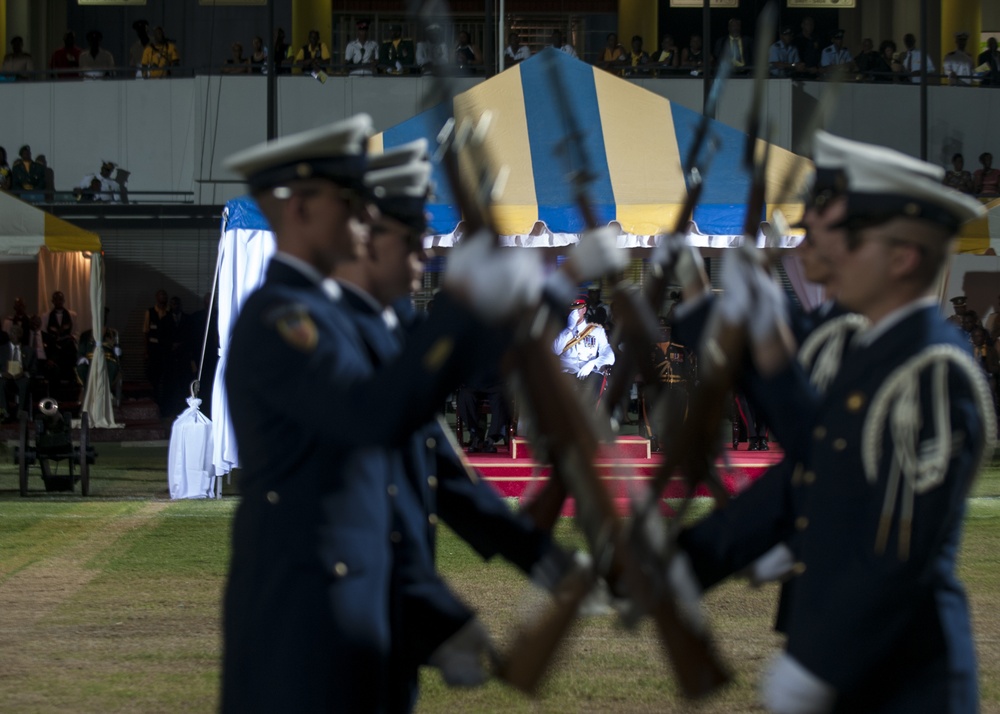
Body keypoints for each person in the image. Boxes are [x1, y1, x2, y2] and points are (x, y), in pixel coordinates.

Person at [219, 114, 546, 713]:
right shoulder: (283, 324)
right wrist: (463, 300)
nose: (364, 219)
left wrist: (435, 611)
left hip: (362, 621)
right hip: (302, 639)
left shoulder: (337, 320)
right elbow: (373, 420)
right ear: (298, 209)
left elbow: (407, 481)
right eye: (351, 202)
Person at [676, 130, 990, 713]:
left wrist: (819, 664)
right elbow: (814, 472)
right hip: (845, 653)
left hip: (904, 677)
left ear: (902, 258)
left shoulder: (933, 372)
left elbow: (899, 550)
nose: (830, 249)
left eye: (849, 237)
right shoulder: (866, 347)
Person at [554, 298, 615, 404]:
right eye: (571, 310)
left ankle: (592, 417)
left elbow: (610, 356)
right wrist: (569, 328)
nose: (574, 314)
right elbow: (554, 350)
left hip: (589, 373)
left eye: (577, 310)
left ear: (584, 310)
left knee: (597, 382)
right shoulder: (559, 330)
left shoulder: (596, 331)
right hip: (566, 373)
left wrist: (593, 363)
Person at [143, 289, 172, 416]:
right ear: (156, 297)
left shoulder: (170, 312)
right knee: (153, 379)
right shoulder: (150, 312)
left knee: (166, 380)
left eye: (165, 295)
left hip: (166, 352)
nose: (163, 297)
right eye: (161, 295)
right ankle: (154, 404)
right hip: (153, 351)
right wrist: (146, 351)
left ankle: (165, 407)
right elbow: (145, 333)